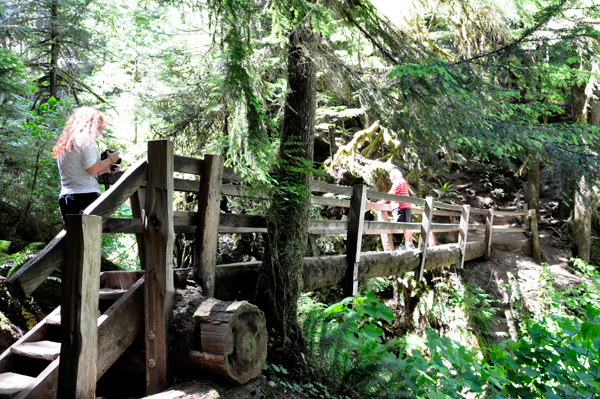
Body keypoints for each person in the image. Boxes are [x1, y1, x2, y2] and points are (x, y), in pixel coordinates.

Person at [52, 107, 120, 219]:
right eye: (99, 128)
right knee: (89, 235)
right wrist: (111, 159)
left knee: (74, 235)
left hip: (66, 197)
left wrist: (106, 169)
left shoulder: (66, 143)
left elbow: (80, 171)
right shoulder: (85, 140)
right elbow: (92, 169)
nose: (98, 133)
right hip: (85, 197)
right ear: (92, 125)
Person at [388, 169, 414, 250]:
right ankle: (409, 244)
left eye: (391, 176)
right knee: (408, 225)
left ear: (395, 175)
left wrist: (382, 200)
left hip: (402, 207)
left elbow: (393, 192)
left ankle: (408, 245)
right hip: (407, 206)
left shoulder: (398, 181)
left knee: (405, 225)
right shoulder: (403, 181)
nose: (390, 178)